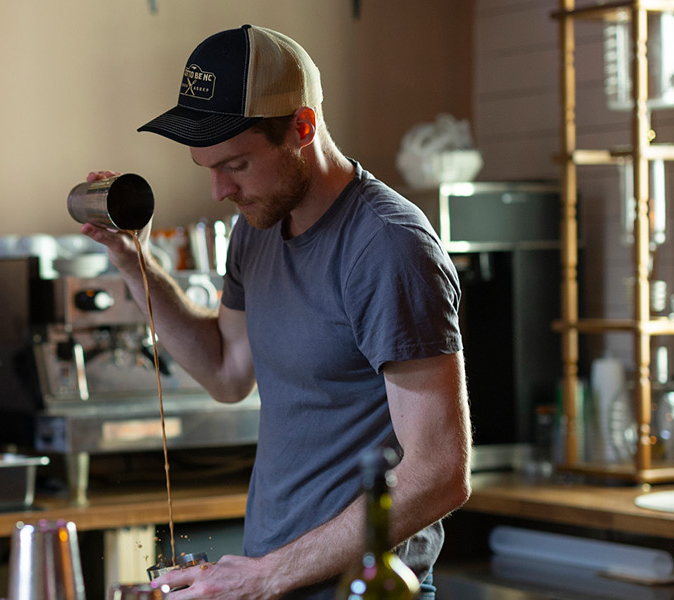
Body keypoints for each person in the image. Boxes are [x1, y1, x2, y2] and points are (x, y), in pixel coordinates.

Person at [80, 24, 471, 600]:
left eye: (235, 165)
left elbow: (440, 474)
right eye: (207, 167)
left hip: (363, 589)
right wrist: (132, 260)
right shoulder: (256, 229)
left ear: (302, 127)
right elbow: (226, 372)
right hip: (274, 581)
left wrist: (266, 575)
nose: (218, 191)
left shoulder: (388, 247)